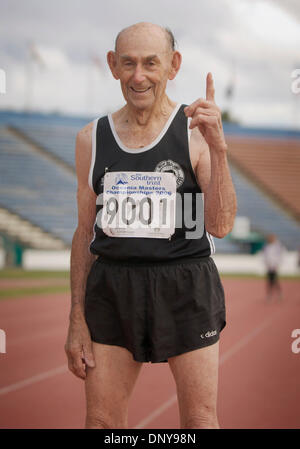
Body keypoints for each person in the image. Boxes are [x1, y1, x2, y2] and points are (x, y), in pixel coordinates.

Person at [64, 22, 237, 429]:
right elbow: (84, 233)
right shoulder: (91, 138)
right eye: (128, 63)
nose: (138, 76)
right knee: (102, 422)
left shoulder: (195, 134)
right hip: (111, 288)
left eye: (150, 63)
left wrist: (220, 148)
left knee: (198, 420)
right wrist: (76, 317)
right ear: (113, 66)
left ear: (173, 66)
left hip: (186, 286)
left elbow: (221, 224)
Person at [263, 233, 284, 302]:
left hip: (274, 266)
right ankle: (269, 295)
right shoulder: (266, 246)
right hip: (269, 266)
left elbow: (279, 256)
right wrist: (266, 263)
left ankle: (279, 294)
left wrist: (277, 264)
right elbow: (265, 256)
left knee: (274, 281)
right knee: (269, 281)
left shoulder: (277, 246)